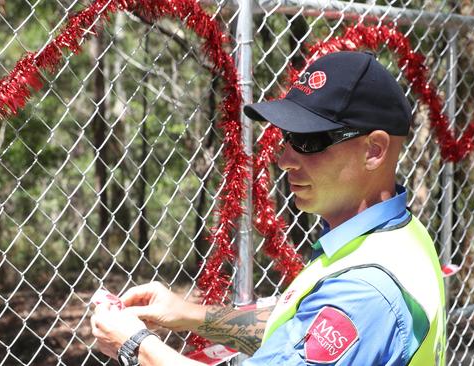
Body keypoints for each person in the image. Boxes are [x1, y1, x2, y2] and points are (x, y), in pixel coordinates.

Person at [90, 51, 446, 366]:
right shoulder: (398, 235)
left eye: (309, 139)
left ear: (374, 151)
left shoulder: (366, 289)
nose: (284, 158)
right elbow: (297, 329)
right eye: (287, 137)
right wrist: (188, 315)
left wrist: (135, 346)